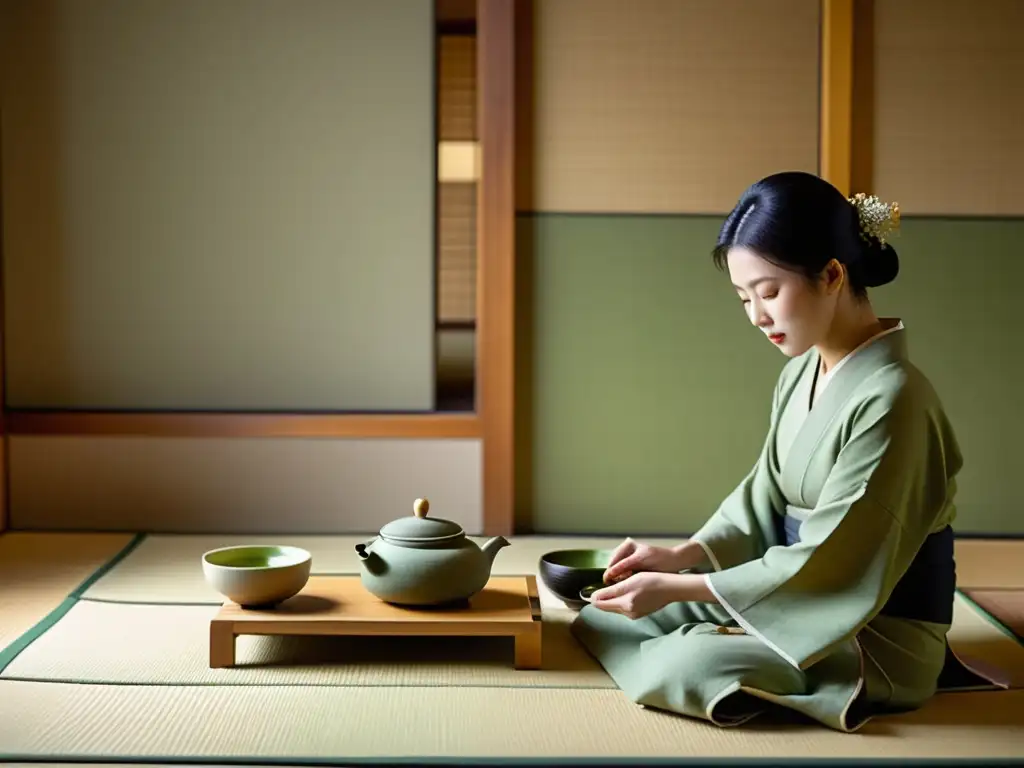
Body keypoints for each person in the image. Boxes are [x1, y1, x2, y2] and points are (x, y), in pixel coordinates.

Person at [570, 171, 1003, 732]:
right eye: (743, 297)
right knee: (608, 618)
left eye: (769, 292)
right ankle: (736, 637)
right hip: (792, 595)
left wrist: (685, 589)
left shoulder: (896, 398)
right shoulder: (801, 372)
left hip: (869, 630)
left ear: (831, 274)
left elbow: (837, 556)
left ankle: (736, 648)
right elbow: (761, 495)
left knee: (687, 661)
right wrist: (682, 556)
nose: (756, 316)